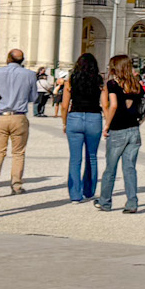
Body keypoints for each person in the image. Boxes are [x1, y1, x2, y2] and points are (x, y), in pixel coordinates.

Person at [98, 54, 145, 213]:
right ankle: (132, 203)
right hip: (134, 130)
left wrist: (106, 125)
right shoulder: (136, 84)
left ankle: (105, 202)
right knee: (129, 168)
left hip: (118, 130)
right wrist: (139, 121)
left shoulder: (113, 84)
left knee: (110, 169)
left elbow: (113, 105)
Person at [0, 48, 34, 200]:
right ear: (22, 60)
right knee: (18, 152)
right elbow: (33, 97)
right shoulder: (30, 74)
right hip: (19, 116)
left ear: (8, 59)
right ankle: (16, 185)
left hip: (0, 116)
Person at [58, 52, 106, 203]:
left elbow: (65, 106)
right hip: (94, 118)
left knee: (75, 159)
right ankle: (89, 190)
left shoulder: (70, 81)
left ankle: (75, 195)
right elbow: (105, 104)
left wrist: (64, 122)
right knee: (92, 157)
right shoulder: (99, 81)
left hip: (75, 117)